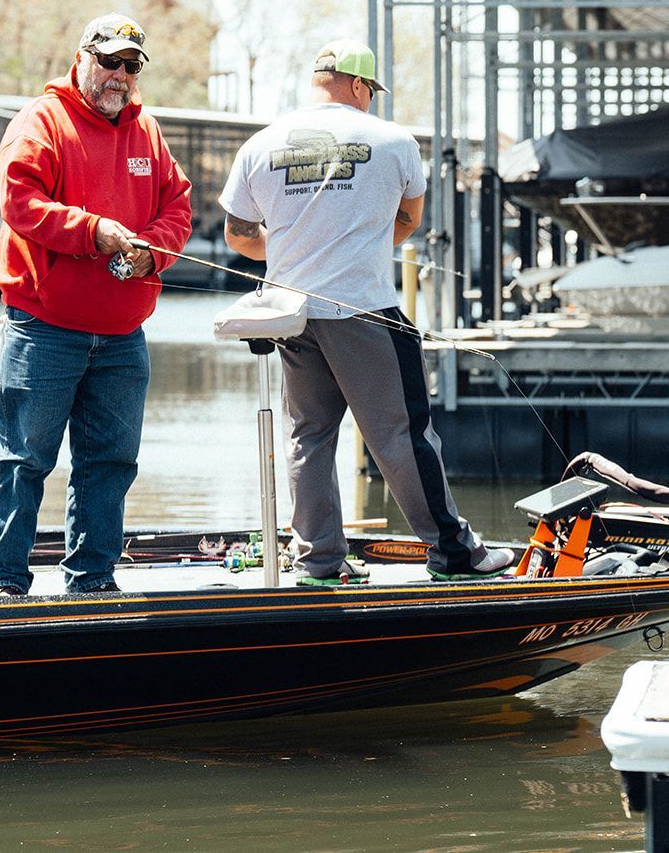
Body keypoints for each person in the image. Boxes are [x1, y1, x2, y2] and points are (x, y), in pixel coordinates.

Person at [218, 39, 513, 586]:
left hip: (292, 314)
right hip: (367, 311)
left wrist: (288, 246)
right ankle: (454, 555)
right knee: (401, 436)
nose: (371, 99)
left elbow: (239, 233)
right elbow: (409, 218)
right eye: (370, 90)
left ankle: (320, 564)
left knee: (309, 437)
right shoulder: (393, 140)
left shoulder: (260, 145)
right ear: (357, 84)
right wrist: (363, 239)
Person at [0, 13, 192, 596]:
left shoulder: (146, 131)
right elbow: (20, 203)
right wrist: (91, 231)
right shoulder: (40, 122)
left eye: (131, 65)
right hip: (44, 331)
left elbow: (177, 205)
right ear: (83, 58)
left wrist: (156, 256)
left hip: (124, 337)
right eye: (110, 61)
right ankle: (3, 583)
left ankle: (92, 579)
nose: (119, 75)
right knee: (24, 461)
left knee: (110, 466)